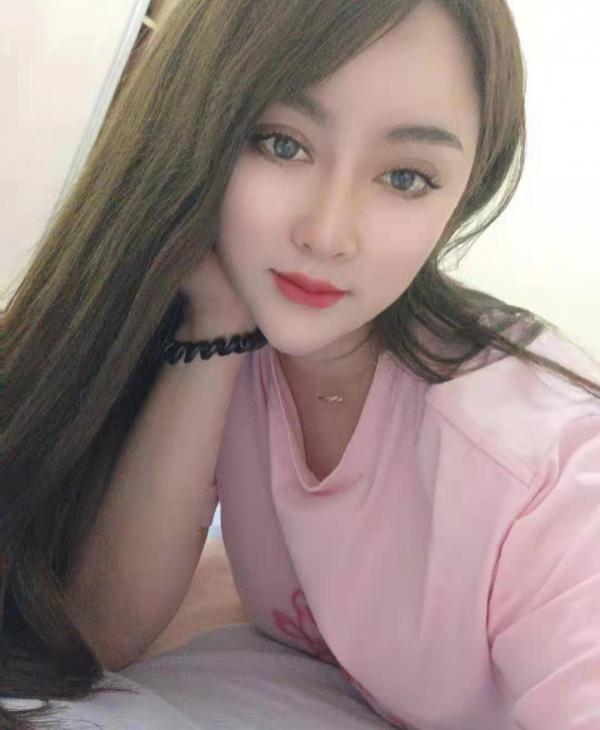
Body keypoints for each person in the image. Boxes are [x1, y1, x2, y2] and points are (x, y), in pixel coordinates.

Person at [2, 1, 599, 728]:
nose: (327, 233)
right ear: (197, 134)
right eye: (282, 144)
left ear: (462, 193)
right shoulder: (243, 336)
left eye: (406, 178)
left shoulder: (544, 461)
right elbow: (102, 628)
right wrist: (215, 324)